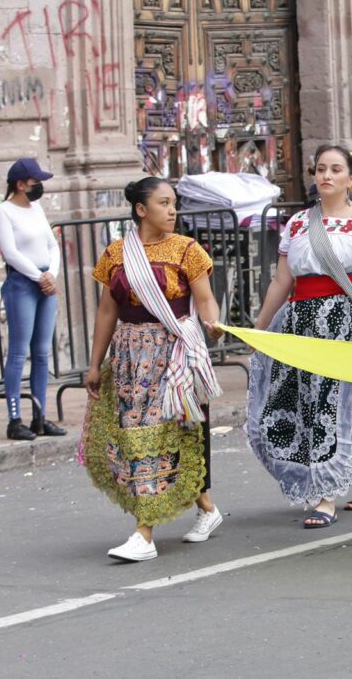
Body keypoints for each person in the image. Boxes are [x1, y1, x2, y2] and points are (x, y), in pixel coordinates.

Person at [81, 177, 225, 561]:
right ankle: (207, 509)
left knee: (166, 433)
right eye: (164, 203)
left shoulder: (187, 251)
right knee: (140, 434)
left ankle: (144, 534)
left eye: (174, 203)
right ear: (141, 210)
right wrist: (95, 364)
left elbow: (206, 299)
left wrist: (212, 324)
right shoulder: (115, 254)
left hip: (174, 352)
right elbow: (106, 312)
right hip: (129, 356)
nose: (173, 210)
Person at [249, 145, 352, 528]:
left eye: (335, 169)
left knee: (335, 404)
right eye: (320, 169)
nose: (326, 176)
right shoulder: (297, 224)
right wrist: (259, 329)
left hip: (346, 324)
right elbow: (282, 281)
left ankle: (326, 496)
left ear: (350, 178)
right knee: (311, 403)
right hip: (300, 323)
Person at [0, 159, 67, 441]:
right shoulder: (5, 211)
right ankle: (15, 419)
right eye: (35, 182)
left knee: (41, 352)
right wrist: (40, 277)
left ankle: (40, 416)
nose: (39, 187)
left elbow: (52, 244)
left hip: (44, 282)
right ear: (21, 184)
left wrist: (51, 273)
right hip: (22, 284)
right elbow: (10, 252)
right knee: (18, 352)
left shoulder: (36, 208)